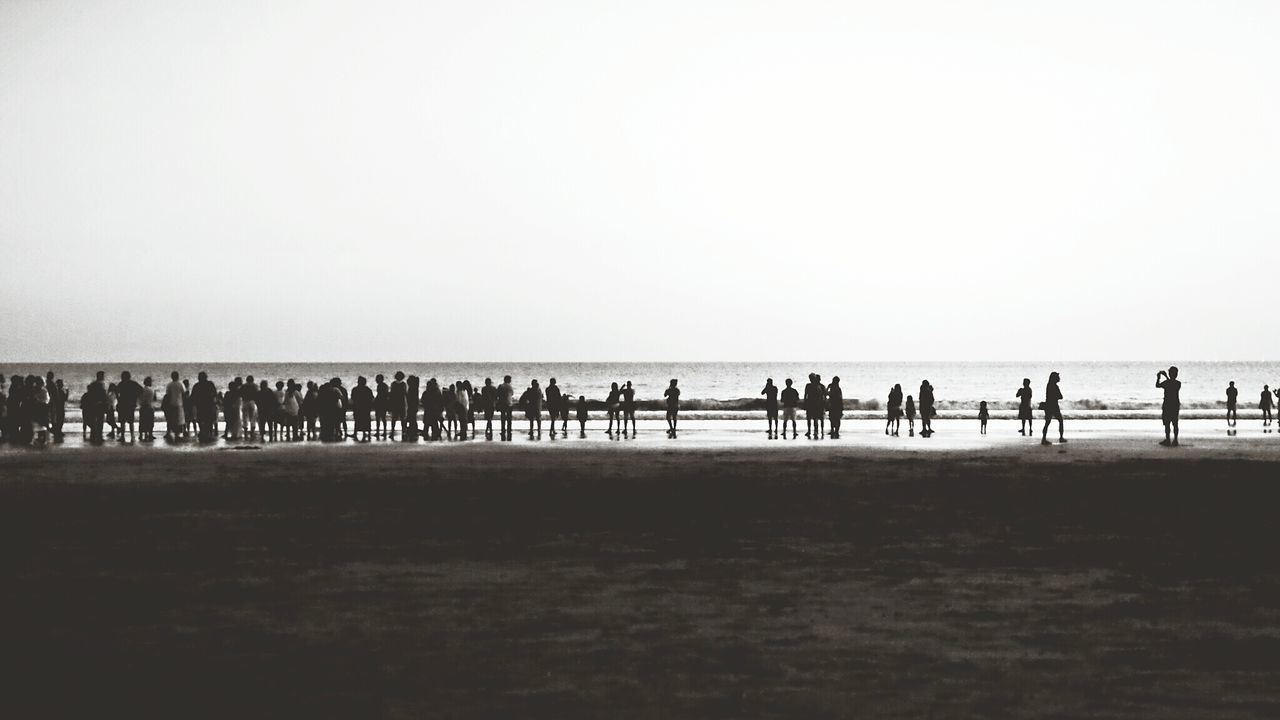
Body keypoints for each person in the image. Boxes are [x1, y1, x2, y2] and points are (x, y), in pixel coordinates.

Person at [1156, 366, 1181, 446]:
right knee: (1175, 423)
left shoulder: (1167, 383)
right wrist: (1166, 376)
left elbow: (1157, 385)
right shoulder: (1178, 383)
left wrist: (1159, 377)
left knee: (1167, 423)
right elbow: (1171, 383)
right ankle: (1175, 440)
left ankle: (1168, 439)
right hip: (1175, 404)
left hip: (1167, 404)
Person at [115, 371, 142, 441]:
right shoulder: (133, 384)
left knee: (122, 422)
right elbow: (141, 390)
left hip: (123, 404)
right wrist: (136, 398)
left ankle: (123, 436)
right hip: (131, 404)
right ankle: (132, 436)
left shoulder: (121, 384)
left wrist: (118, 400)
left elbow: (116, 392)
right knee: (131, 421)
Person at [192, 371, 218, 441]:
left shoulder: (196, 386)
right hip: (209, 405)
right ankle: (209, 433)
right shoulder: (210, 384)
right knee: (209, 420)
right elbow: (214, 394)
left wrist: (193, 405)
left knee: (200, 419)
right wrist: (215, 403)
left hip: (200, 405)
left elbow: (193, 397)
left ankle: (202, 432)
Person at [1041, 371, 1065, 445]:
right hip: (1054, 406)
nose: (1059, 378)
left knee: (1047, 422)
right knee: (1060, 420)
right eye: (1058, 377)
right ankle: (1061, 438)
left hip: (1048, 405)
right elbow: (1060, 396)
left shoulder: (1049, 385)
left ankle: (1044, 438)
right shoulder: (1054, 386)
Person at [163, 372, 185, 440]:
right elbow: (184, 393)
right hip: (179, 404)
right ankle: (177, 434)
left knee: (171, 420)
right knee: (178, 420)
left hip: (171, 404)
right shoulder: (180, 384)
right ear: (178, 377)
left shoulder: (169, 385)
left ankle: (169, 432)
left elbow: (168, 394)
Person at [351, 376, 374, 442]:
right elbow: (371, 398)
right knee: (366, 420)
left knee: (357, 420)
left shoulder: (355, 389)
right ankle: (367, 433)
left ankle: (355, 433)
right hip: (366, 407)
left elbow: (353, 398)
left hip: (357, 406)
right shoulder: (368, 390)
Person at [389, 371, 408, 439]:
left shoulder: (393, 384)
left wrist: (390, 404)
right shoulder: (404, 384)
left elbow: (391, 394)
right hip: (402, 403)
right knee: (403, 418)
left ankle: (392, 431)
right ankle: (403, 431)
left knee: (394, 418)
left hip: (395, 403)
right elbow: (406, 394)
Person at [139, 376, 157, 441]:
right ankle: (150, 434)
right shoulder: (152, 390)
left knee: (142, 421)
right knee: (150, 422)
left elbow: (139, 398)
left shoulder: (141, 389)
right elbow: (155, 399)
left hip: (143, 407)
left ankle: (141, 435)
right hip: (150, 407)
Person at [240, 375, 258, 439]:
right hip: (252, 401)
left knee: (245, 417)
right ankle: (252, 432)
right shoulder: (255, 386)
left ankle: (245, 432)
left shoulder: (243, 386)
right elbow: (256, 395)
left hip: (245, 401)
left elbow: (240, 394)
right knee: (253, 418)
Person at [497, 375, 515, 440]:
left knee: (503, 417)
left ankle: (503, 430)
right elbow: (512, 394)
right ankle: (509, 429)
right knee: (509, 418)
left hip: (502, 403)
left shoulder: (501, 386)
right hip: (509, 403)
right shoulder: (510, 386)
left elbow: (498, 394)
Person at [374, 374, 389, 439]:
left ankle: (378, 431)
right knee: (383, 418)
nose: (376, 380)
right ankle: (384, 431)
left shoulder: (380, 386)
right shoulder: (385, 386)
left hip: (380, 403)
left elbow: (380, 395)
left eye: (377, 379)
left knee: (378, 418)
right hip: (384, 403)